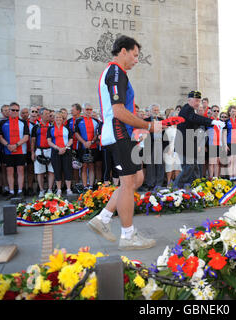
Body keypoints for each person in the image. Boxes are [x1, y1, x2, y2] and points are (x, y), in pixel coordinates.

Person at [88, 35, 163, 250]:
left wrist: (141, 126)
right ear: (123, 51)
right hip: (118, 133)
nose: (137, 60)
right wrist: (148, 126)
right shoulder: (116, 72)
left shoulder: (117, 73)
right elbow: (119, 111)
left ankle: (102, 219)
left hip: (123, 133)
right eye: (135, 55)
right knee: (129, 184)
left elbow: (123, 110)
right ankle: (128, 235)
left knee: (136, 178)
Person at [173, 91, 224, 188]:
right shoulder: (187, 109)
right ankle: (176, 187)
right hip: (184, 145)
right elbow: (195, 118)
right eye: (196, 100)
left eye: (199, 101)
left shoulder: (190, 110)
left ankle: (196, 188)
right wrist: (212, 121)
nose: (198, 103)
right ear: (189, 100)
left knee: (195, 168)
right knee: (189, 167)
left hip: (190, 145)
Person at [0, 102, 30, 199]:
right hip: (7, 150)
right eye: (13, 110)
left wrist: (16, 145)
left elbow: (26, 136)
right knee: (9, 171)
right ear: (9, 111)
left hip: (20, 150)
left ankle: (20, 191)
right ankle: (11, 191)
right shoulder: (3, 122)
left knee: (20, 170)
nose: (15, 112)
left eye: (17, 110)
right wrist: (8, 145)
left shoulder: (23, 122)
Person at [75, 104, 101, 191]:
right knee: (84, 166)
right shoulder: (79, 120)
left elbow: (97, 134)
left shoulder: (96, 121)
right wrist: (84, 142)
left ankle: (91, 185)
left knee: (91, 165)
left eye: (90, 109)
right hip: (82, 147)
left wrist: (91, 141)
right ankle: (85, 185)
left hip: (93, 146)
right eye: (87, 109)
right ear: (83, 110)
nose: (89, 111)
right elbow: (76, 133)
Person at [47, 112, 74, 196]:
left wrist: (65, 148)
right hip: (55, 151)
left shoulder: (67, 128)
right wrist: (58, 148)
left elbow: (71, 140)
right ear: (54, 118)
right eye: (57, 117)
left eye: (60, 117)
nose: (58, 119)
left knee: (67, 170)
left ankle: (68, 189)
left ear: (63, 119)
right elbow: (49, 141)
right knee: (57, 170)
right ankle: (59, 189)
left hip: (66, 151)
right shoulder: (50, 128)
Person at [31, 108, 55, 197]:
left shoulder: (52, 126)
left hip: (50, 150)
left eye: (49, 114)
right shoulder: (36, 127)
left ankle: (50, 189)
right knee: (39, 172)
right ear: (40, 115)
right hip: (39, 150)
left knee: (51, 171)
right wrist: (32, 153)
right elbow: (33, 141)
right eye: (46, 114)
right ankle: (41, 190)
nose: (48, 115)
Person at [143, 103, 165, 189]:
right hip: (150, 144)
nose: (156, 112)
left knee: (160, 164)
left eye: (157, 110)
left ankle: (159, 183)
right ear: (150, 111)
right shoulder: (146, 120)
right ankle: (150, 183)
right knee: (150, 164)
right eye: (154, 110)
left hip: (160, 143)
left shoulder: (162, 120)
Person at [163, 111, 182, 185]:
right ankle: (169, 183)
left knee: (178, 167)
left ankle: (177, 183)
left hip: (179, 150)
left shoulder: (180, 127)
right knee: (169, 167)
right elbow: (165, 140)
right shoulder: (168, 128)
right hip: (169, 150)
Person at [225, 105, 236, 182]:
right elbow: (224, 134)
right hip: (229, 143)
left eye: (235, 111)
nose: (233, 113)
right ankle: (230, 177)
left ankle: (234, 177)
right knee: (230, 161)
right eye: (232, 111)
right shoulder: (226, 121)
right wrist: (225, 144)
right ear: (229, 112)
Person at [67, 103, 82, 191]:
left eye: (73, 110)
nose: (71, 111)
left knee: (83, 165)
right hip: (72, 146)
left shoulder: (82, 120)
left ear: (78, 111)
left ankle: (84, 183)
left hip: (81, 146)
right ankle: (76, 183)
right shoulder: (69, 121)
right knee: (74, 166)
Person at [21, 107, 35, 196]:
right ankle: (21, 187)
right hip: (20, 150)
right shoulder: (18, 123)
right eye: (23, 113)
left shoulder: (32, 125)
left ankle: (29, 187)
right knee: (20, 170)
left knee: (30, 169)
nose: (25, 114)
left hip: (30, 149)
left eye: (26, 113)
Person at [207, 105, 223, 180]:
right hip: (211, 144)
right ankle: (210, 178)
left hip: (219, 144)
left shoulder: (220, 122)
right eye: (214, 111)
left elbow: (222, 134)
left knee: (217, 162)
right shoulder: (209, 121)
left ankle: (216, 178)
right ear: (211, 111)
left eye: (217, 111)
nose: (216, 112)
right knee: (211, 163)